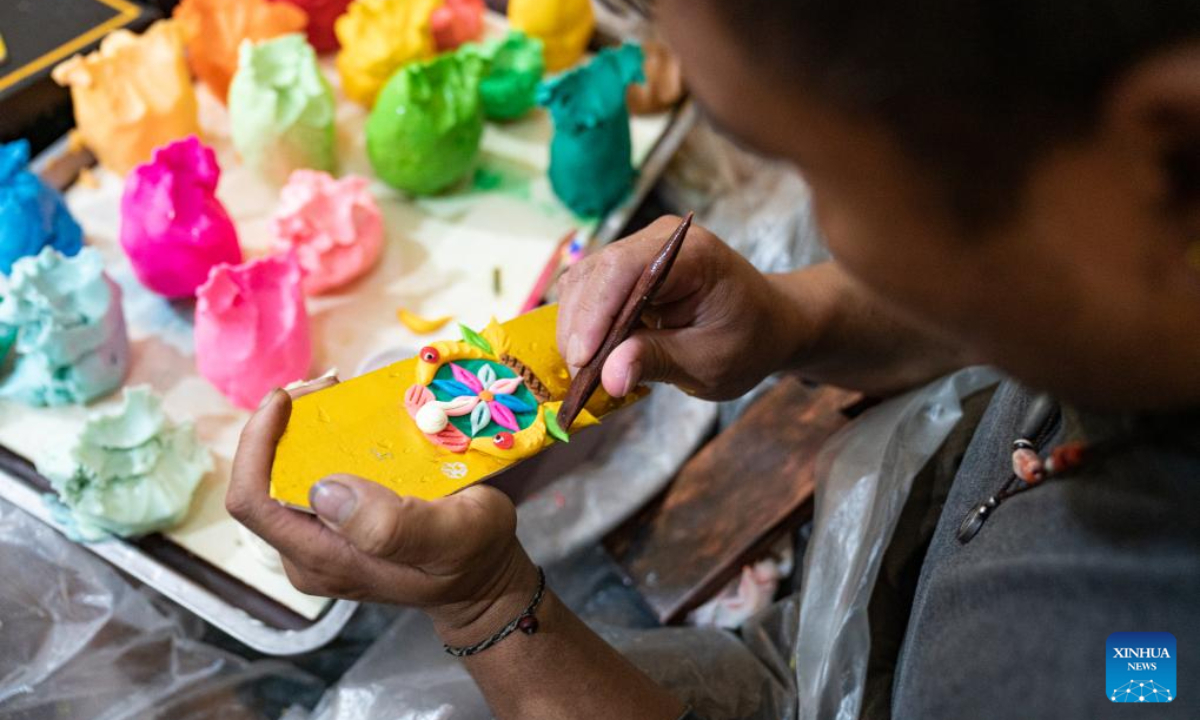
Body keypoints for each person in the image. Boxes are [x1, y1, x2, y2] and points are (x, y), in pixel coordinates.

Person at [228, 1, 1200, 717]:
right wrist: (797, 320)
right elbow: (1053, 288)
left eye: (814, 167)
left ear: (1168, 151)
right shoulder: (1135, 278)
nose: (817, 229)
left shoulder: (1116, 662)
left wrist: (485, 608)